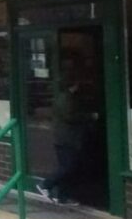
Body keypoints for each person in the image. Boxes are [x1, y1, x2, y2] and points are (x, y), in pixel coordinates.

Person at [37, 60, 91, 206]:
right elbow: (70, 116)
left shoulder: (64, 97)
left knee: (68, 167)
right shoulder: (67, 99)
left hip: (64, 137)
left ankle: (63, 197)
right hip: (68, 138)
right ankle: (46, 184)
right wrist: (90, 116)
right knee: (68, 167)